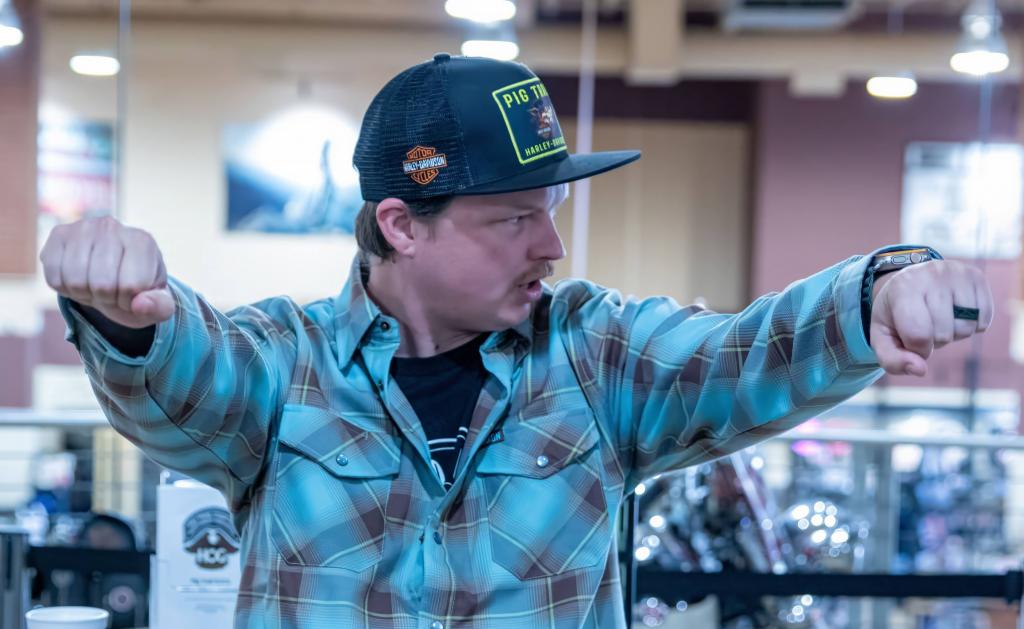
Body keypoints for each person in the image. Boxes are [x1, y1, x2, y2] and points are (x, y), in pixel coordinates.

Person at [41, 54, 993, 629]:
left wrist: (874, 293)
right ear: (402, 225)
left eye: (551, 210)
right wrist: (120, 311)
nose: (551, 245)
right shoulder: (285, 366)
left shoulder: (595, 353)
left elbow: (745, 353)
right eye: (512, 219)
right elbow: (186, 372)